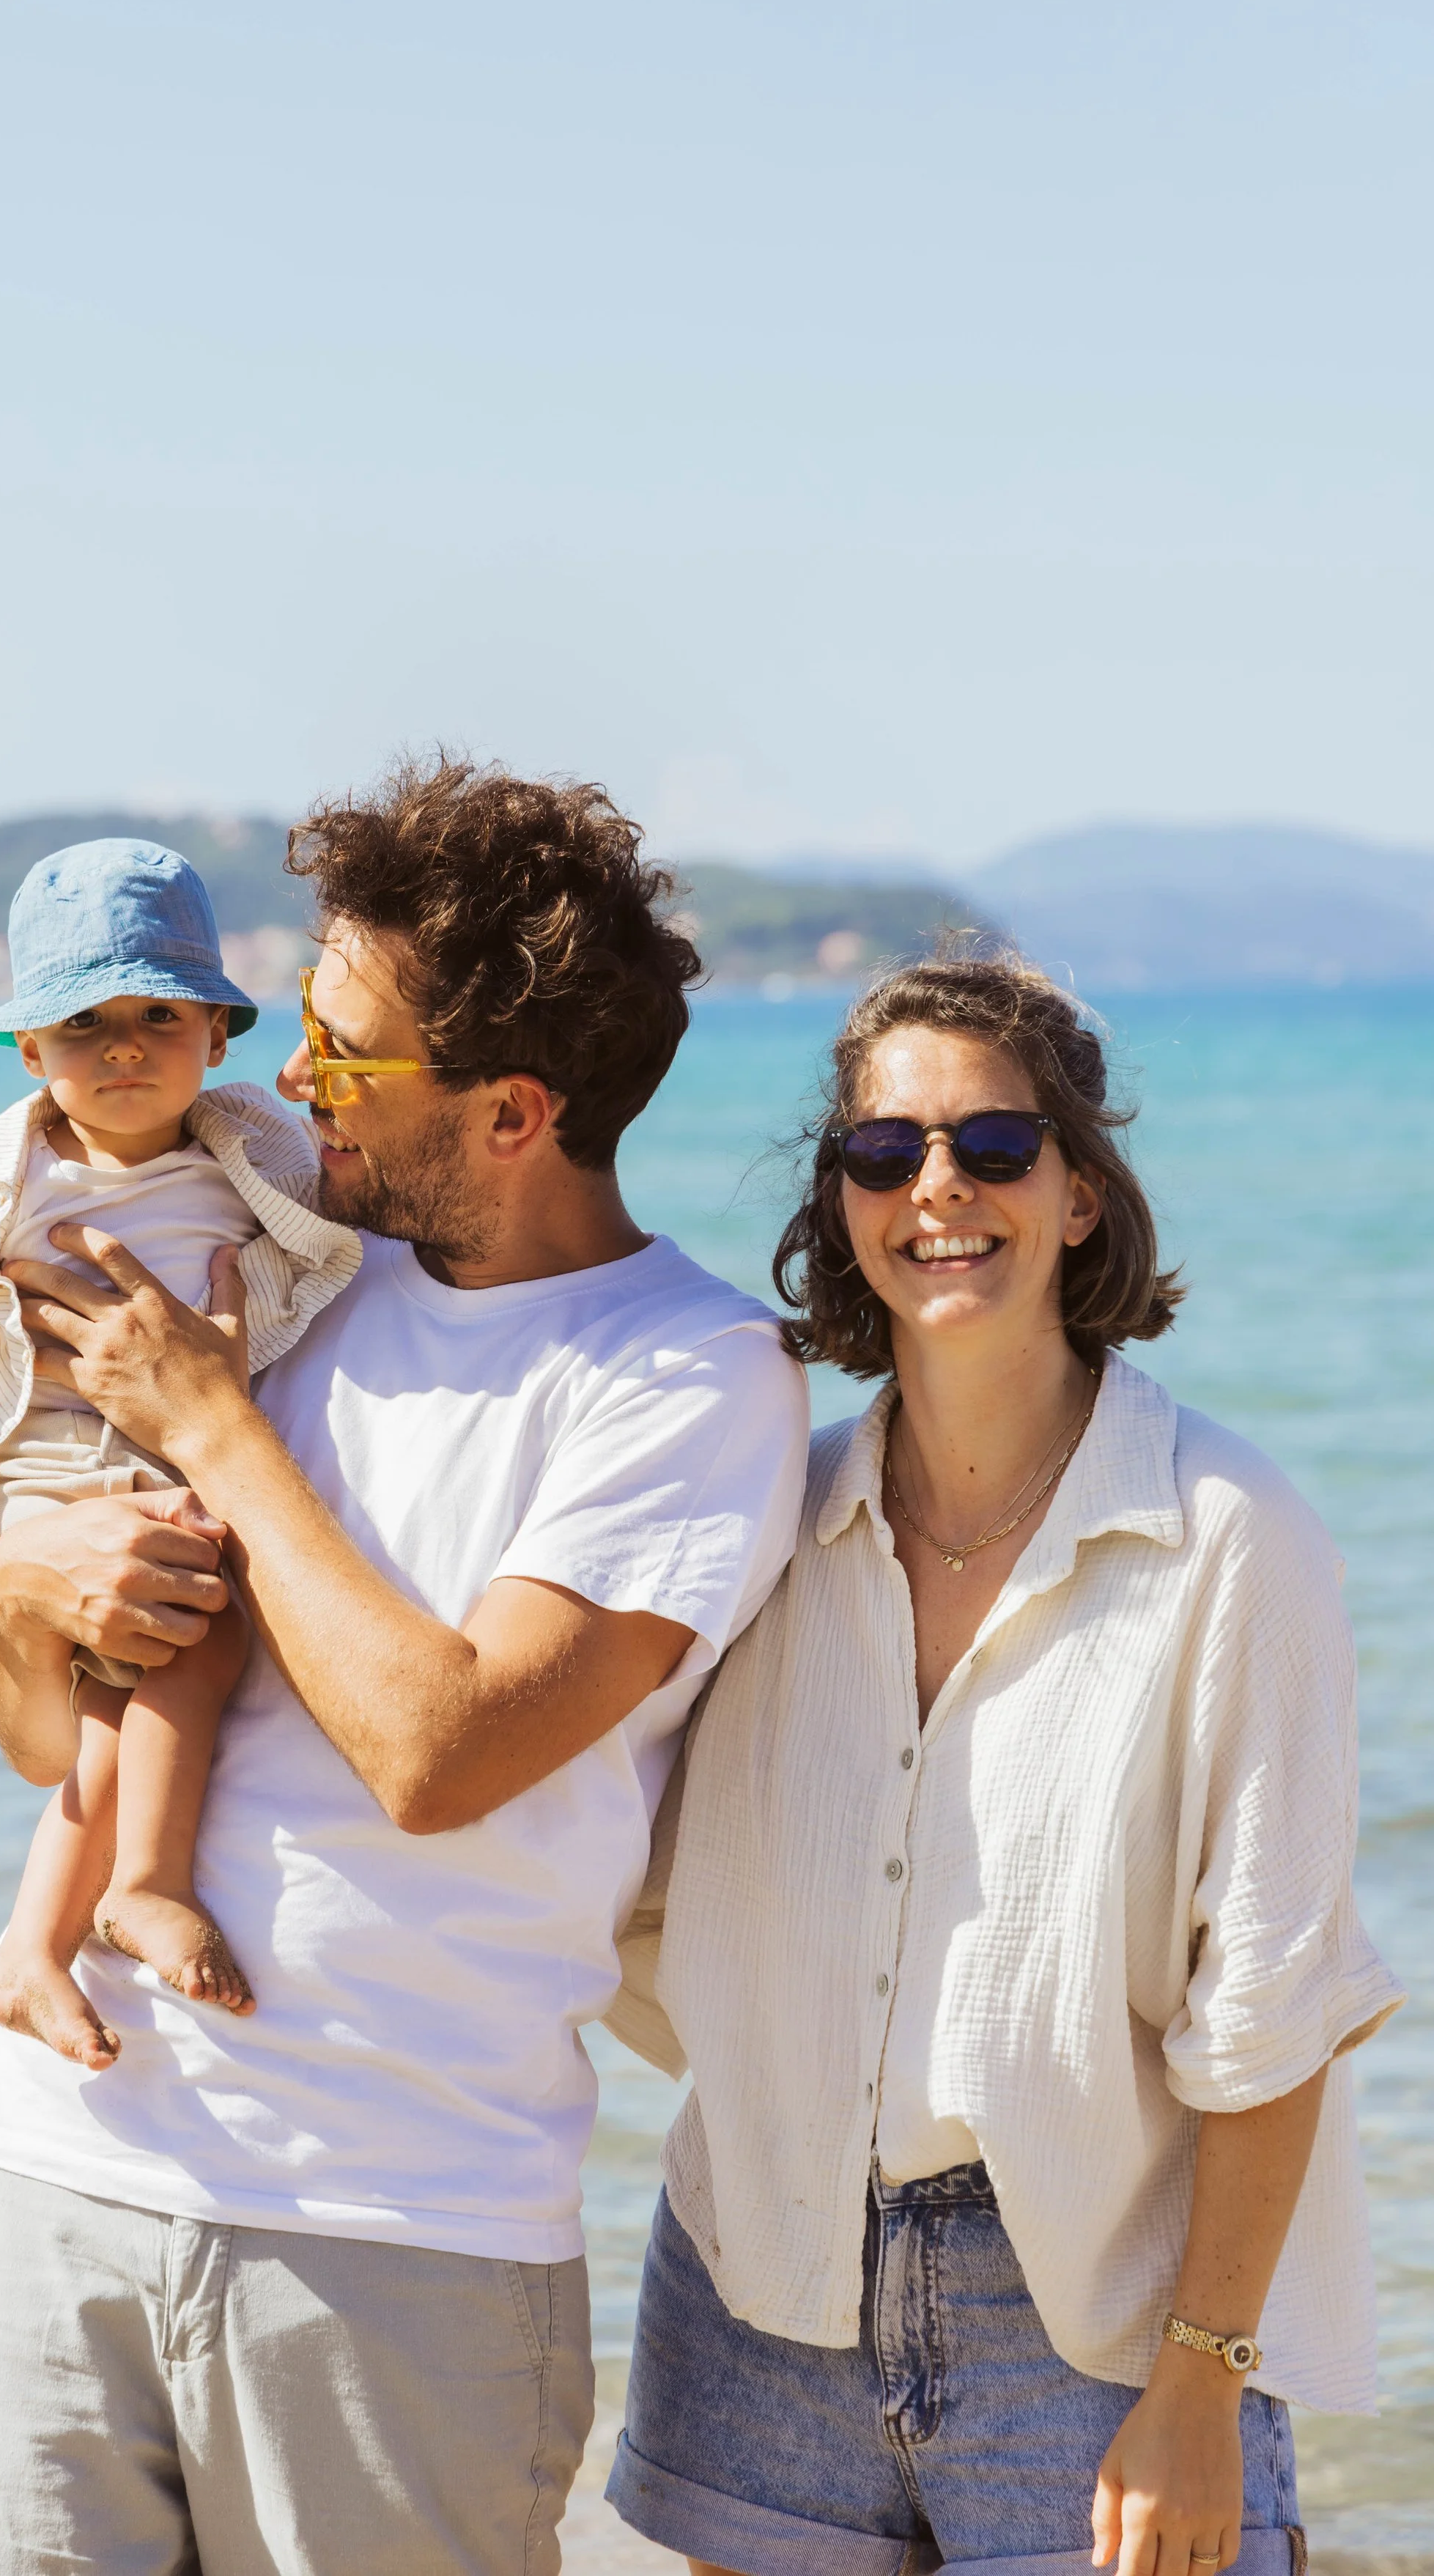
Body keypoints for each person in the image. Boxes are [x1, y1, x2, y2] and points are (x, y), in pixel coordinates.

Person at [0, 756, 812, 2576]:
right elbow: (31, 1738)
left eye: (342, 1051)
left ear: (515, 1110)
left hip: (400, 2237)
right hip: (35, 2163)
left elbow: (440, 1750)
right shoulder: (273, 1272)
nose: (286, 1082)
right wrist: (20, 1591)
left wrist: (219, 1438)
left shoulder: (688, 1377)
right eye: (299, 1024)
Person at [607, 953, 1402, 2576]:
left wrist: (1202, 2376)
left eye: (992, 1146)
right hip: (756, 2285)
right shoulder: (767, 1524)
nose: (936, 1190)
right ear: (840, 1199)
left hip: (1096, 2327)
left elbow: (1269, 2006)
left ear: (1080, 1196)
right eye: (883, 1153)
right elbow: (623, 1871)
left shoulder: (1227, 1540)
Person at [0, 838, 362, 2051]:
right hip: (27, 1466)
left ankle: (45, 1943)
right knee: (165, 1620)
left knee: (175, 1646)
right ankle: (133, 1890)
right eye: (82, 1023)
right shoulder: (1, 1177)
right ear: (29, 1050)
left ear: (217, 1035)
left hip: (164, 1458)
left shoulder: (252, 1152)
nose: (122, 1048)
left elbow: (337, 1243)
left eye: (157, 1014)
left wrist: (233, 1346)